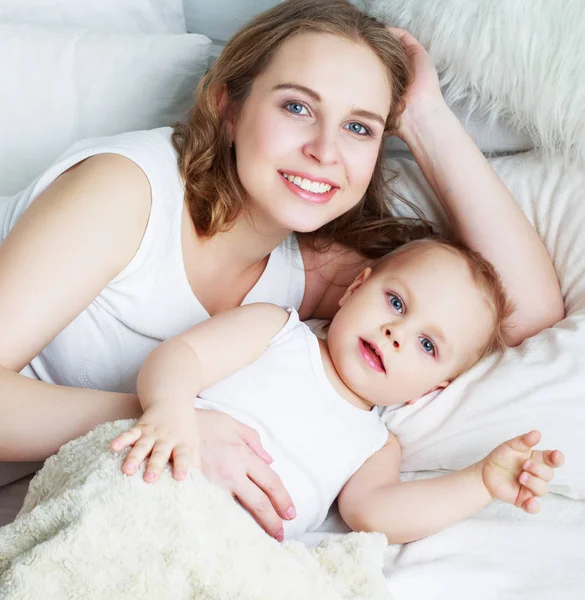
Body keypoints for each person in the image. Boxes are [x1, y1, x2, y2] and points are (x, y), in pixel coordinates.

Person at [0, 0, 563, 542]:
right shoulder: (125, 195)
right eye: (297, 107)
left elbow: (525, 312)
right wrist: (179, 420)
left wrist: (425, 118)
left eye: (360, 128)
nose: (324, 150)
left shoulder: (312, 269)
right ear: (230, 108)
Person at [110, 238, 564, 543]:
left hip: (226, 552)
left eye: (427, 344)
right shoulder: (276, 330)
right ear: (354, 288)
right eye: (397, 302)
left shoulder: (376, 445)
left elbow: (378, 514)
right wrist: (171, 410)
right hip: (157, 477)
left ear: (429, 390)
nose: (395, 333)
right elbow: (180, 357)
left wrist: (480, 482)